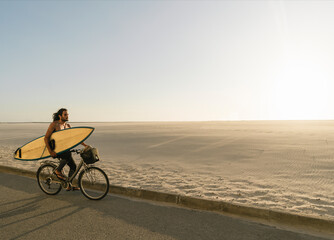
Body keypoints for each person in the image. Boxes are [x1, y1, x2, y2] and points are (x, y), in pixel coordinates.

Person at [44, 108, 88, 191]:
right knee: (67, 155)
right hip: (56, 150)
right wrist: (50, 151)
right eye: (65, 114)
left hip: (65, 150)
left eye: (67, 114)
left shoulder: (67, 126)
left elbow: (75, 138)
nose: (67, 116)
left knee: (73, 167)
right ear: (60, 116)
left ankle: (68, 185)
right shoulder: (54, 124)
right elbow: (46, 138)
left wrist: (85, 145)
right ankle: (57, 170)